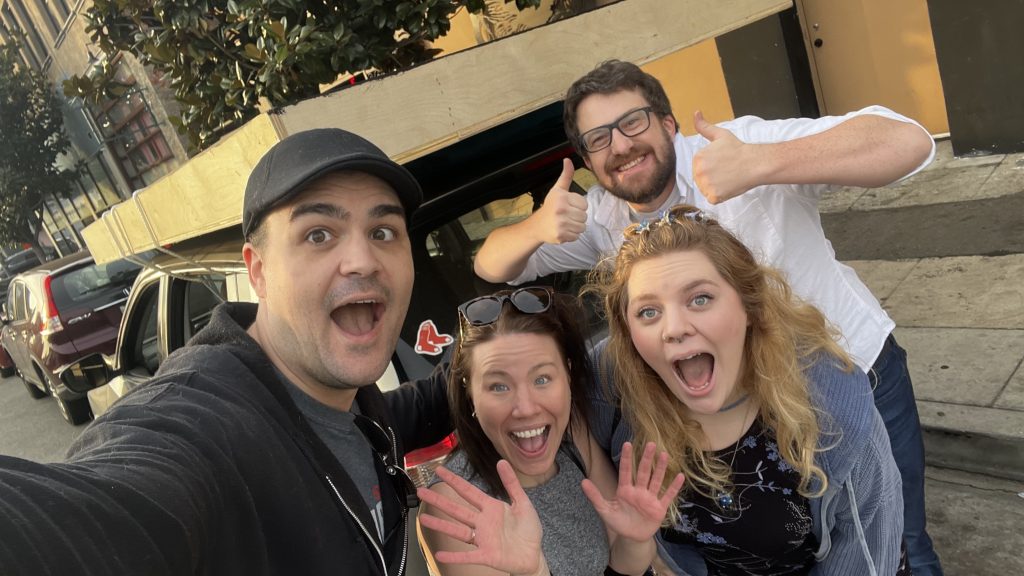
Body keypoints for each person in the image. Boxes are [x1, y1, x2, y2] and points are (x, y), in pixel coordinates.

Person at [473, 60, 941, 576]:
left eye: (633, 122)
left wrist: (766, 163)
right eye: (599, 138)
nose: (621, 145)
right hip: (728, 424)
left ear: (669, 123)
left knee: (901, 545)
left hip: (849, 379)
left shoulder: (738, 145)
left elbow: (910, 142)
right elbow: (491, 265)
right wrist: (537, 225)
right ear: (586, 159)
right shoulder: (602, 215)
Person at [0, 128, 452, 575]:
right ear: (258, 271)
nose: (363, 259)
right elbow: (89, 518)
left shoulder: (349, 405)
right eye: (318, 234)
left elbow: (402, 413)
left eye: (383, 231)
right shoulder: (201, 427)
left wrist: (500, 367)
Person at [586, 203, 908, 575]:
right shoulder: (619, 391)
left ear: (749, 306)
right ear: (627, 338)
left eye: (700, 299)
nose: (673, 328)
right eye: (648, 312)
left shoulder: (832, 414)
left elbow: (866, 558)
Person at [415, 287, 684, 575]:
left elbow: (622, 563)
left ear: (567, 374)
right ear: (470, 393)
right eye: (499, 386)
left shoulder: (573, 437)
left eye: (542, 379)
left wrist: (636, 538)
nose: (526, 408)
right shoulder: (458, 501)